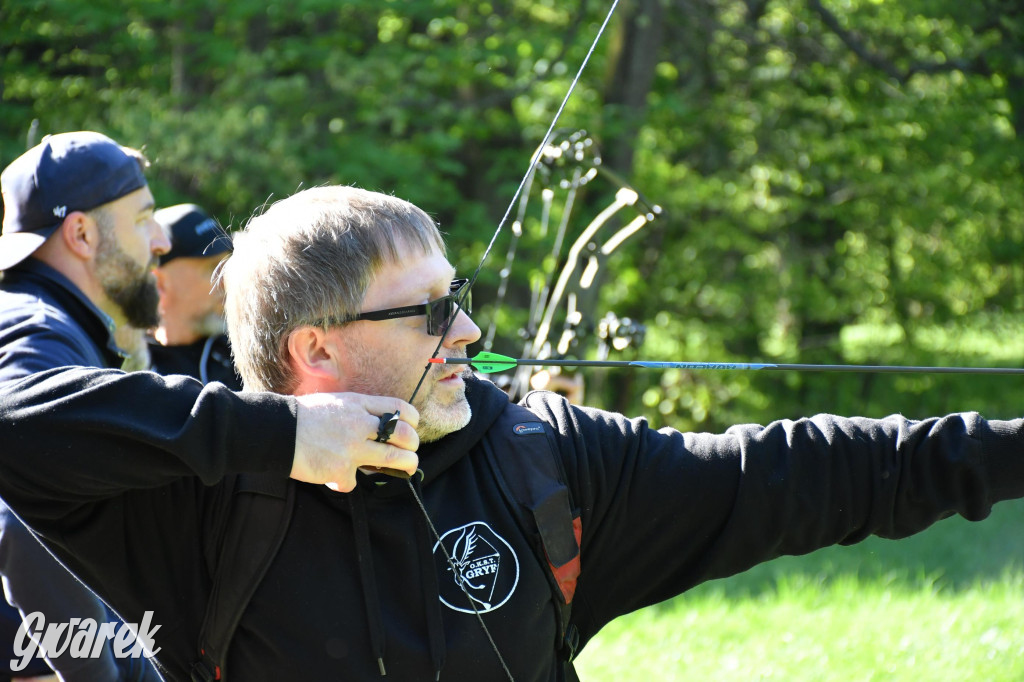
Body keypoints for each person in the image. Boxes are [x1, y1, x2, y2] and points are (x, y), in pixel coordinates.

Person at [0, 185, 1022, 681]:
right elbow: (18, 425)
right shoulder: (202, 497)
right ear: (315, 349)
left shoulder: (544, 457)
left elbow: (805, 471)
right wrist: (284, 443)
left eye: (460, 297)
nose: (470, 331)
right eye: (427, 311)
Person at [148, 203, 239, 388]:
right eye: (212, 268)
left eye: (226, 265)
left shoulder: (242, 354)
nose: (226, 280)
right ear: (159, 282)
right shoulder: (129, 367)